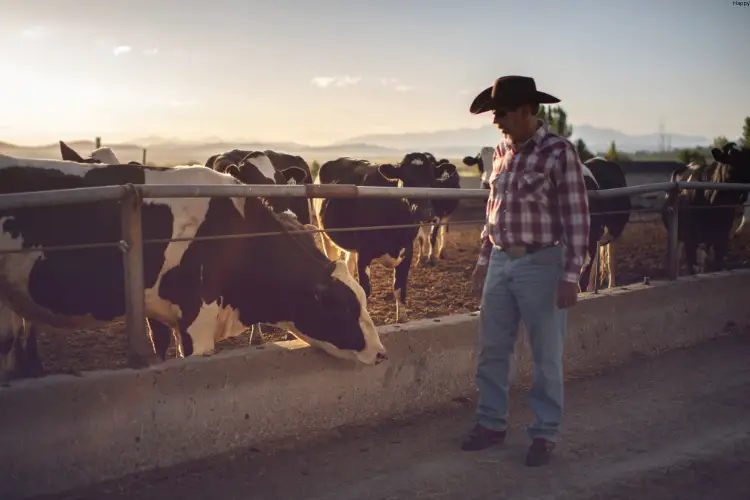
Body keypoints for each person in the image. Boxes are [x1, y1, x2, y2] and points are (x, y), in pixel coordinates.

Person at [460, 75, 590, 467]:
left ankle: (545, 432)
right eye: (493, 113)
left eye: (500, 112)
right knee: (492, 349)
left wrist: (571, 274)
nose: (495, 120)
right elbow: (493, 213)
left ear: (527, 110)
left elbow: (577, 217)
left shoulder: (558, 152)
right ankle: (491, 423)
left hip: (543, 262)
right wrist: (485, 261)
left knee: (546, 353)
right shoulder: (501, 151)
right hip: (502, 261)